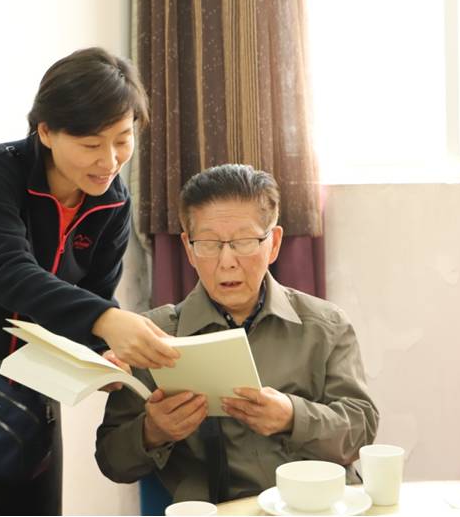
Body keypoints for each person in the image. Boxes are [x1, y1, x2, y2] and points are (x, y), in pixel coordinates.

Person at [0, 47, 179, 515]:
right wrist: (107, 320)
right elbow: (7, 272)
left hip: (32, 376)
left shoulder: (112, 201)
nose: (109, 161)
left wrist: (100, 356)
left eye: (123, 140)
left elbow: (92, 296)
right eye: (91, 144)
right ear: (46, 131)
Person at [95, 164, 379, 503]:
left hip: (317, 506)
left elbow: (361, 431)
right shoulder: (152, 337)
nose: (227, 261)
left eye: (245, 242)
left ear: (273, 243)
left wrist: (292, 416)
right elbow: (112, 462)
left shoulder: (325, 326)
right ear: (189, 249)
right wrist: (153, 432)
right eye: (209, 244)